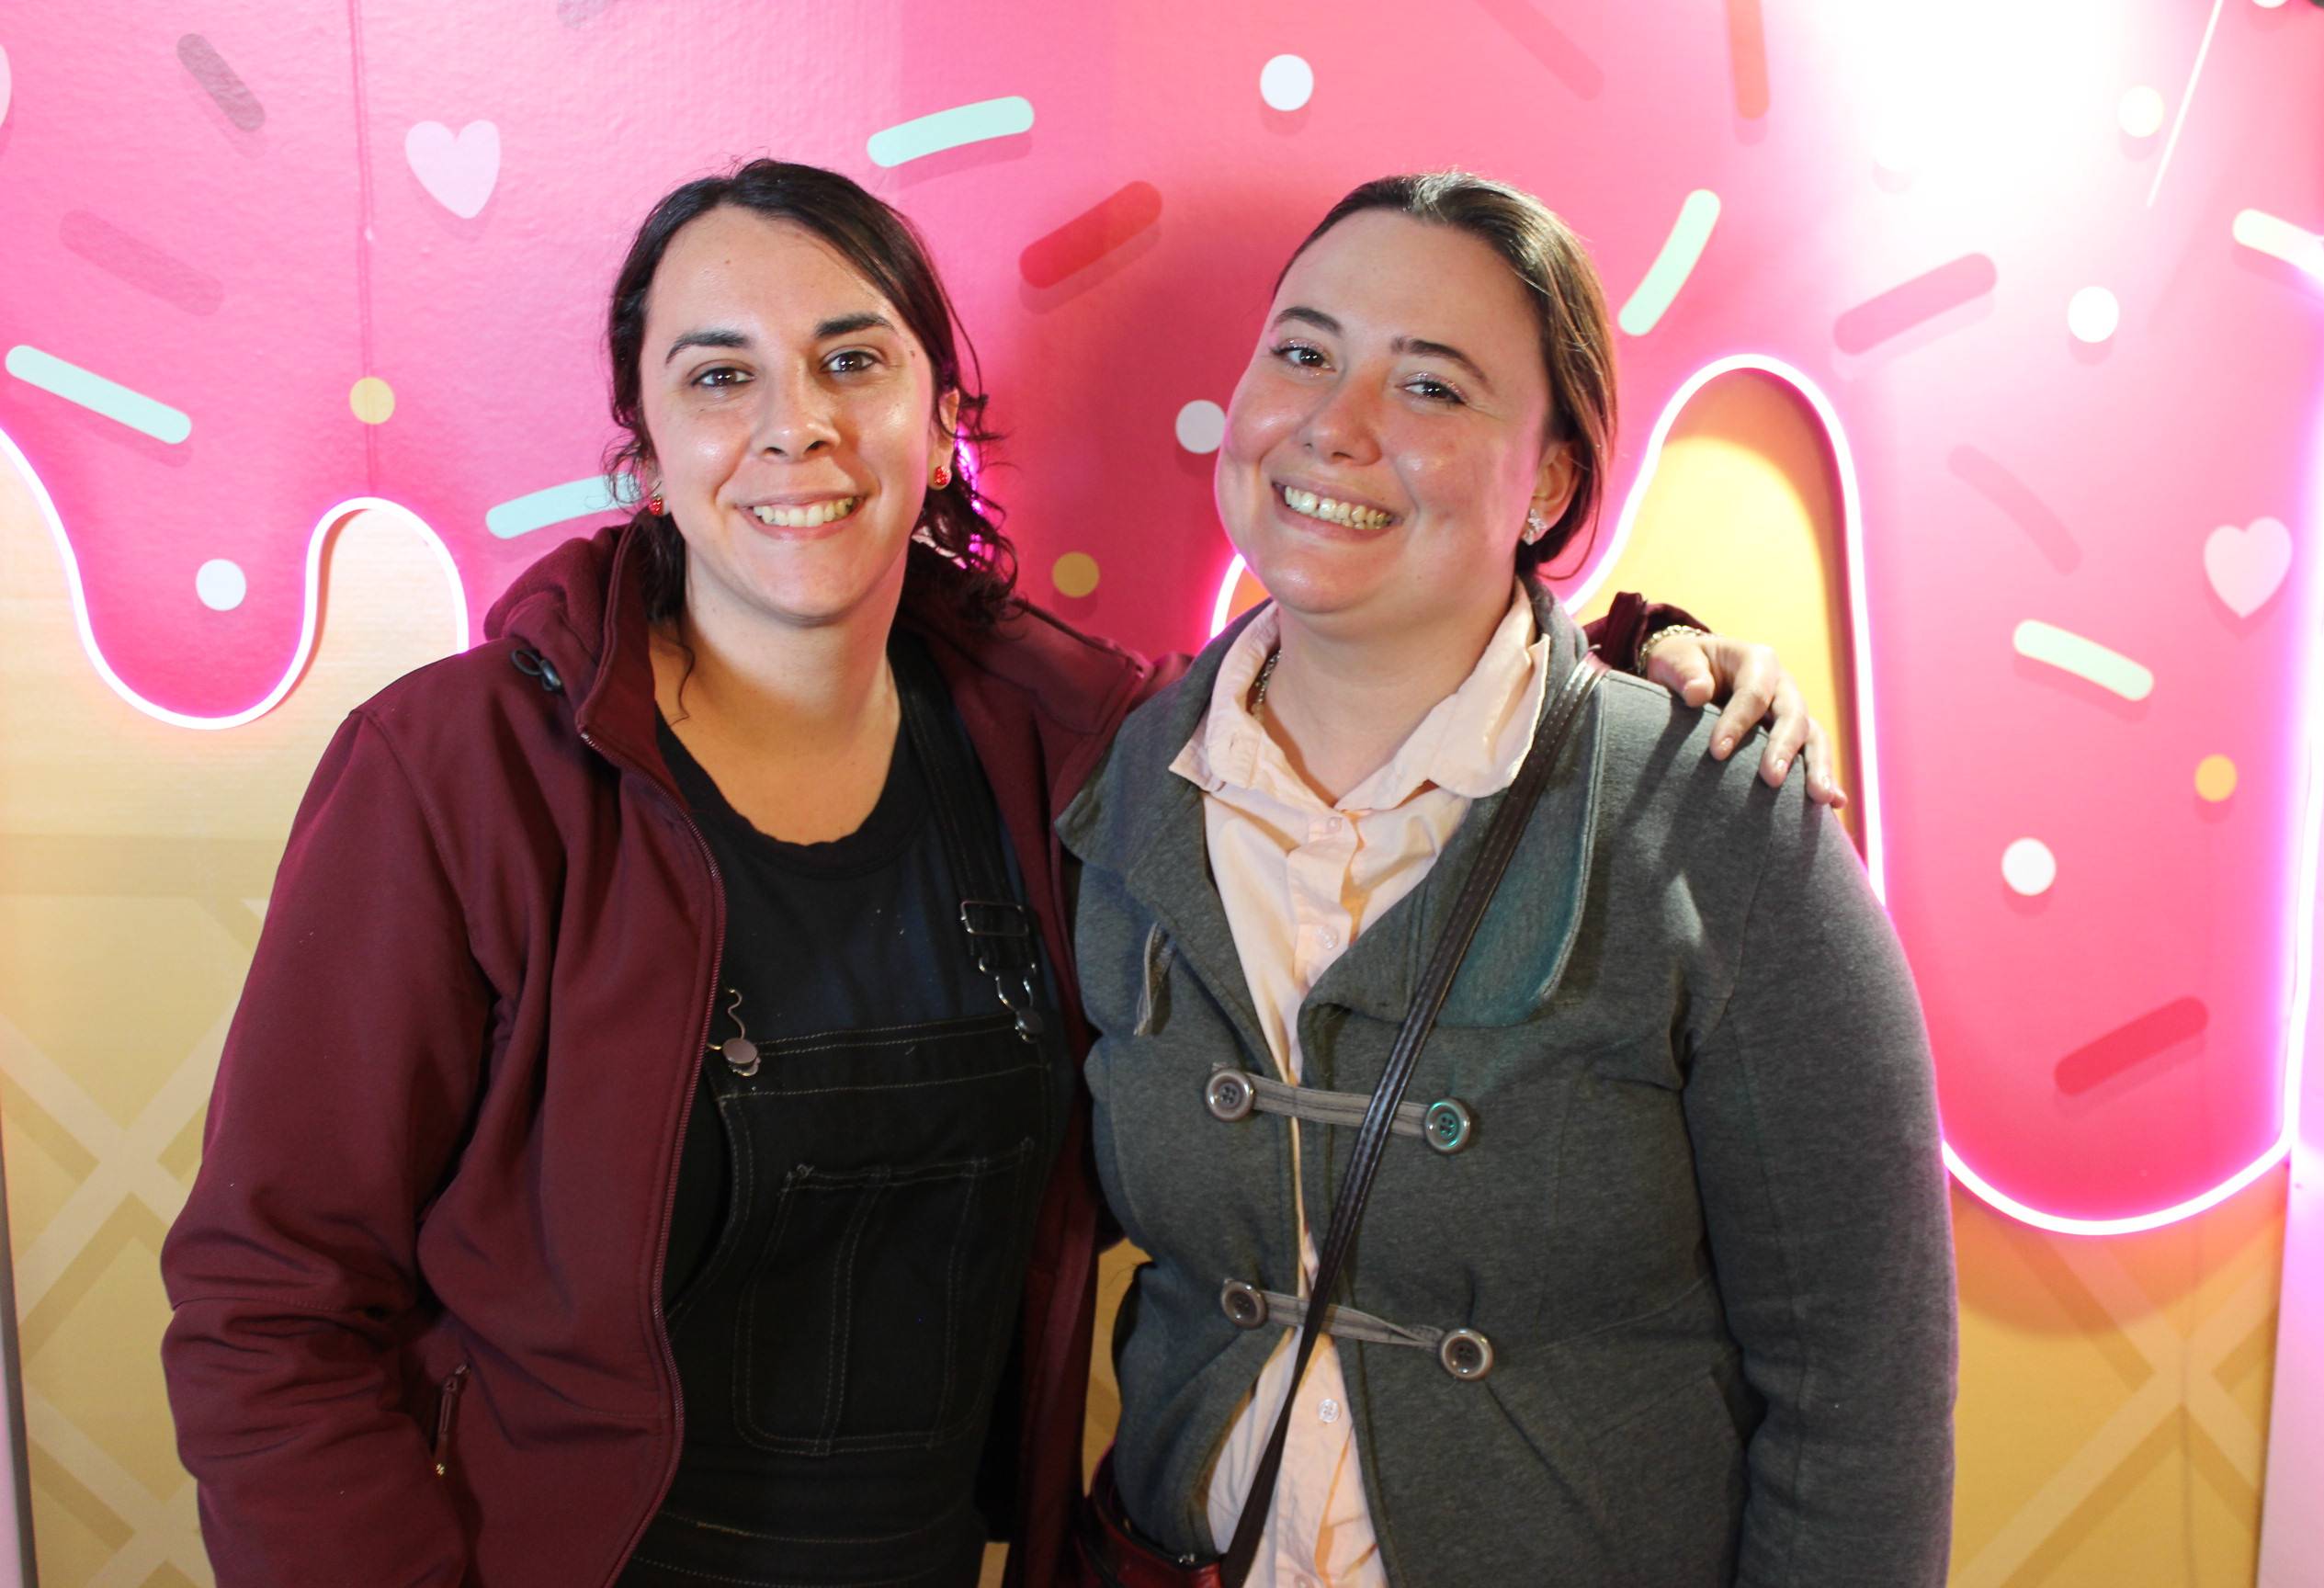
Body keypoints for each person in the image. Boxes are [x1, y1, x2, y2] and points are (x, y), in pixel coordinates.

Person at [158, 160, 1839, 1587]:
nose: (796, 426)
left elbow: (1378, 687)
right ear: (646, 443)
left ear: (939, 413)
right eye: (720, 377)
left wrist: (1639, 665)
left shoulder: (1078, 747)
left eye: (852, 359)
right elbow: (267, 1302)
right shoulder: (460, 775)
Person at [1060, 172, 1956, 1588]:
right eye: (1303, 352)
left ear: (1548, 479)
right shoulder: (1117, 791)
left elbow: (1863, 1387)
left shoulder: (1714, 817)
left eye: (1432, 386)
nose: (1336, 423)